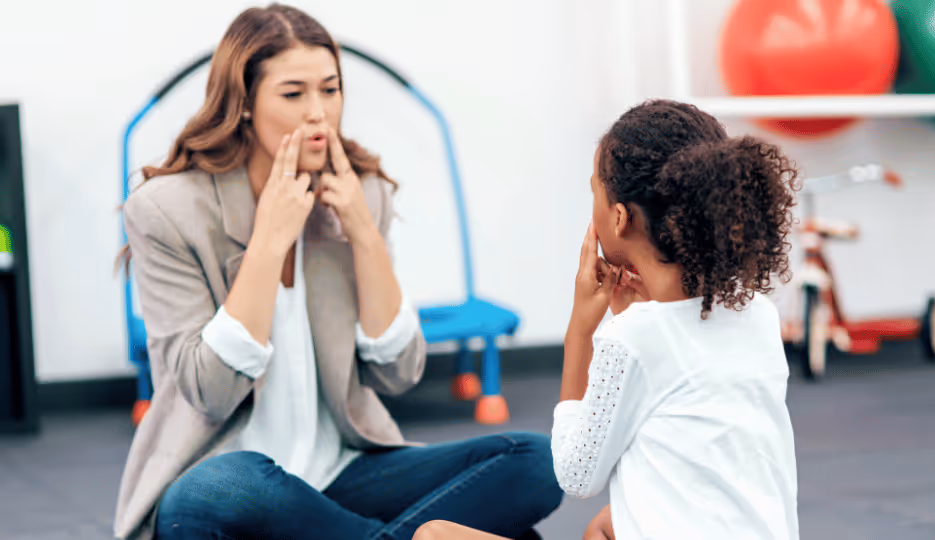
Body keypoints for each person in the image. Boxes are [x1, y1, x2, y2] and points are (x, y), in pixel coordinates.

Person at [112, 4, 563, 540]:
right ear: (246, 104)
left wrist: (363, 234)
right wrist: (268, 242)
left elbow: (398, 373)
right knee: (221, 486)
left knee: (536, 461)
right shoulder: (167, 210)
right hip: (229, 478)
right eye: (293, 93)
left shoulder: (361, 192)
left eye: (330, 89)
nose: (318, 113)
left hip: (340, 473)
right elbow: (209, 392)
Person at [415, 100, 801, 539]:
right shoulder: (758, 315)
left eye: (594, 190)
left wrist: (581, 329)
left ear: (619, 218)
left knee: (434, 536)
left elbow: (577, 476)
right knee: (605, 527)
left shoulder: (632, 337)